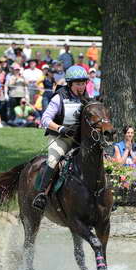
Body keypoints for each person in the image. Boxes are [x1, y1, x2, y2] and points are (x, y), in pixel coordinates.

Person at [32, 65, 90, 210]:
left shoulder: (86, 97)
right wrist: (60, 128)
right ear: (70, 84)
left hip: (79, 141)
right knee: (53, 160)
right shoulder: (59, 97)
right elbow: (44, 119)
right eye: (78, 84)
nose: (82, 87)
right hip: (61, 139)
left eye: (83, 83)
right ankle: (42, 194)